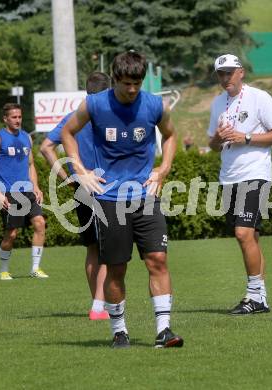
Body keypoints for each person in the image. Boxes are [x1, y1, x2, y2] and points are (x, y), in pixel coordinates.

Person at [62, 51, 184, 349]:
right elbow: (67, 133)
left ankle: (164, 330)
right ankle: (119, 331)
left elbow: (170, 136)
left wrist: (163, 170)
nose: (132, 90)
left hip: (145, 194)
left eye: (137, 83)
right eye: (127, 83)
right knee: (116, 268)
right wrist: (81, 171)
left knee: (158, 259)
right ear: (115, 79)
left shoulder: (155, 104)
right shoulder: (95, 103)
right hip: (109, 197)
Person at [207, 54, 272, 315]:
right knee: (250, 235)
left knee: (242, 233)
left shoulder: (260, 97)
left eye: (229, 72)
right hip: (228, 176)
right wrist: (218, 139)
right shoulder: (218, 103)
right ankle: (260, 297)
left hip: (254, 173)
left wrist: (247, 137)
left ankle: (254, 296)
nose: (225, 78)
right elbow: (211, 144)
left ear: (241, 72)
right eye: (221, 73)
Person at [40, 71, 110, 321]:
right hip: (106, 187)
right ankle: (100, 306)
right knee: (107, 250)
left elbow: (45, 147)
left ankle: (97, 304)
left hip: (81, 187)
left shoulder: (73, 118)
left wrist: (68, 177)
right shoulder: (109, 116)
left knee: (92, 248)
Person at [0, 103, 48, 280]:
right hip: (9, 193)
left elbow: (30, 165)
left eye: (19, 117)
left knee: (40, 224)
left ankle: (35, 268)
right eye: (14, 117)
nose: (18, 120)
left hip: (27, 191)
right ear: (5, 118)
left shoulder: (27, 137)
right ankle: (3, 269)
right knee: (12, 234)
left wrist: (35, 186)